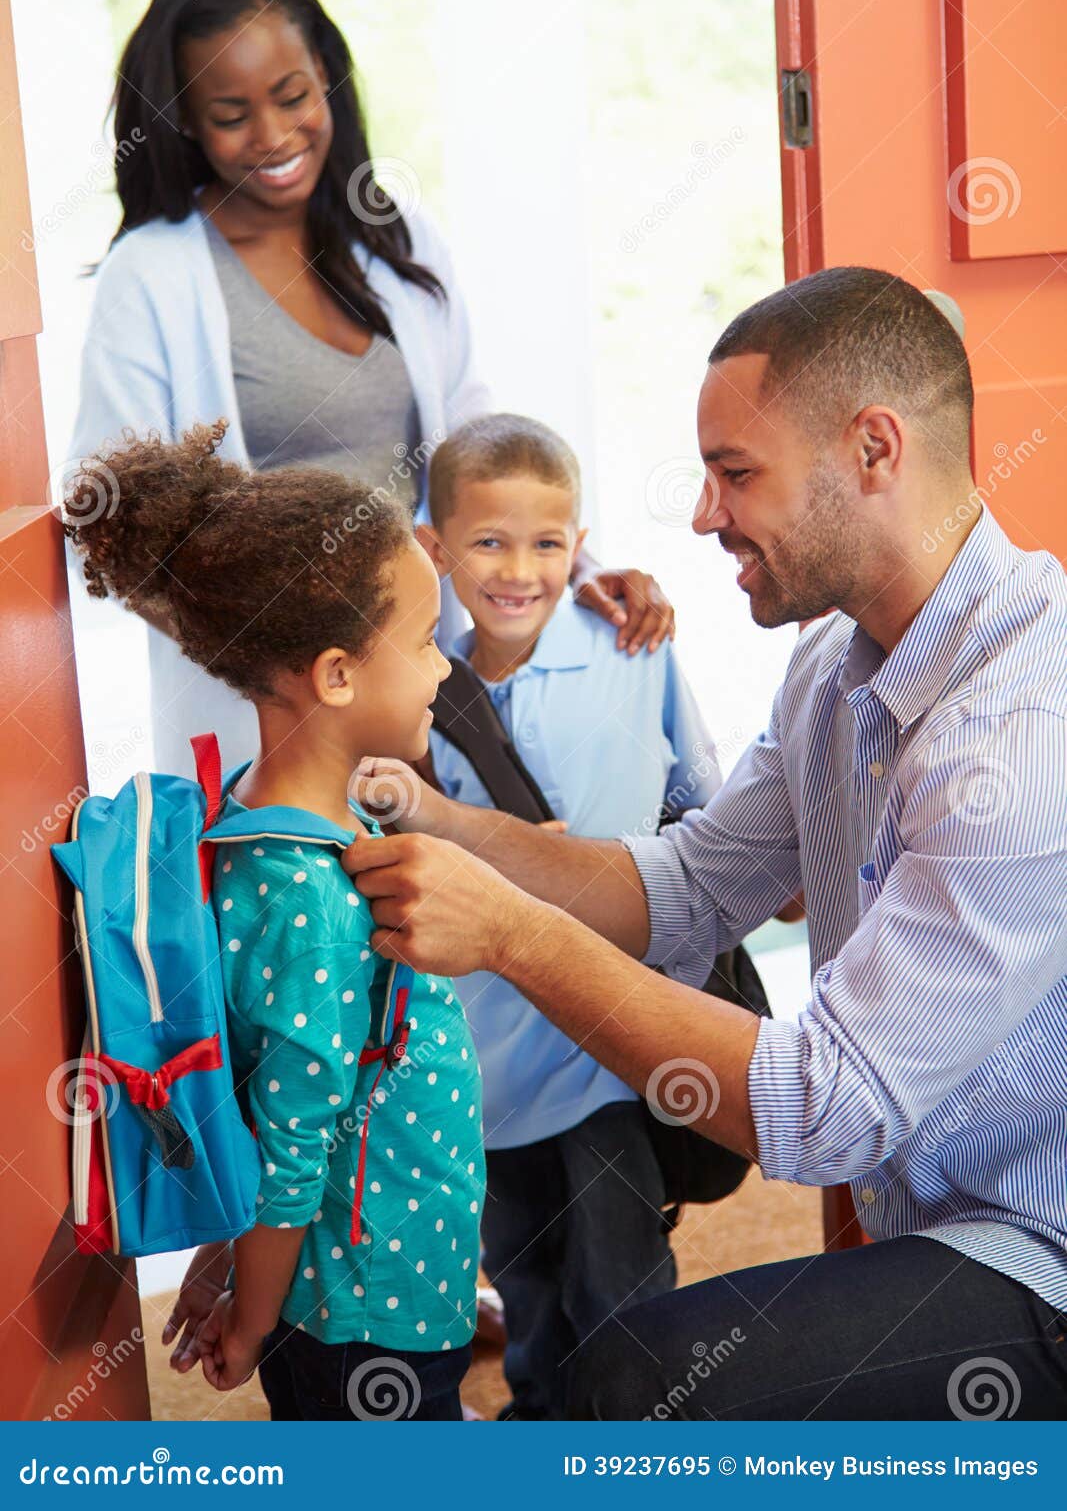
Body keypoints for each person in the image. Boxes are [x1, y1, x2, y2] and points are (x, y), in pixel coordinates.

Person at [344, 267, 1067, 1420]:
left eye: (734, 474)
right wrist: (444, 827)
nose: (701, 514)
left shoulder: (1019, 742)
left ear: (872, 451)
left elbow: (822, 1106)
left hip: (1042, 1253)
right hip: (932, 1220)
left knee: (642, 1384)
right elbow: (680, 889)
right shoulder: (832, 668)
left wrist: (509, 935)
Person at [66, 0, 674, 778]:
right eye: (231, 113)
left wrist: (577, 570)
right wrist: (286, 677)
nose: (275, 136)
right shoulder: (153, 276)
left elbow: (472, 446)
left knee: (480, 884)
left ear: (328, 80)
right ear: (183, 121)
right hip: (275, 723)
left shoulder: (397, 238)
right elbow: (111, 527)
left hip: (418, 695)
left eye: (293, 97)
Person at [64, 418, 485, 1420]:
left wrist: (223, 1257)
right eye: (425, 643)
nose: (443, 670)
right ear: (334, 676)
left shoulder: (265, 827)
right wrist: (253, 1321)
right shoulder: (313, 901)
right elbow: (291, 1147)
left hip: (379, 1263)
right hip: (363, 1309)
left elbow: (268, 1095)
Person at [410, 412, 719, 1419]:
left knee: (621, 1279)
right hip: (480, 1052)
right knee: (523, 1268)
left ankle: (639, 1442)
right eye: (488, 541)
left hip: (606, 1038)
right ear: (435, 548)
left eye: (548, 542)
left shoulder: (631, 646)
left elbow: (700, 804)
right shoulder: (412, 685)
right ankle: (544, 1425)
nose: (519, 569)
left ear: (579, 545)